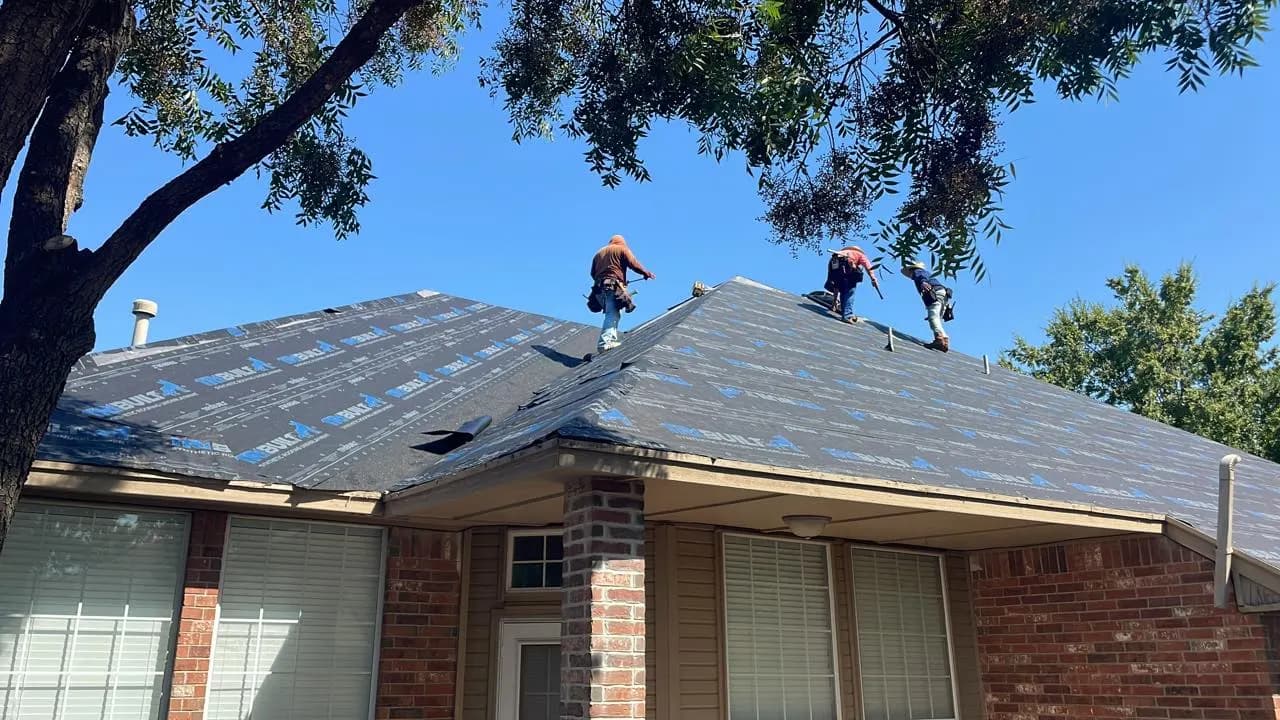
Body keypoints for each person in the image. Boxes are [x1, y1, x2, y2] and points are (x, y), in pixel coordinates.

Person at [589, 235, 655, 353]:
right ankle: (605, 343)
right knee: (613, 313)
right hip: (612, 286)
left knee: (613, 313)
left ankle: (610, 341)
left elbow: (593, 273)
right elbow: (633, 263)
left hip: (598, 289)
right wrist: (646, 273)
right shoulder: (621, 249)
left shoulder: (599, 253)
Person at [900, 260, 952, 352]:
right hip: (943, 293)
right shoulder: (927, 273)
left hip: (935, 293)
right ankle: (944, 340)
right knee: (937, 318)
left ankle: (939, 339)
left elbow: (921, 277)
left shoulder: (917, 272)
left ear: (911, 270)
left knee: (933, 318)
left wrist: (923, 282)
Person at [824, 246, 879, 323]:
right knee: (850, 291)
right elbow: (868, 267)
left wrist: (835, 300)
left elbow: (835, 282)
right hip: (847, 266)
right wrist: (873, 278)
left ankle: (844, 312)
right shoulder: (859, 254)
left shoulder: (837, 255)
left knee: (843, 290)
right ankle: (847, 315)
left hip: (834, 267)